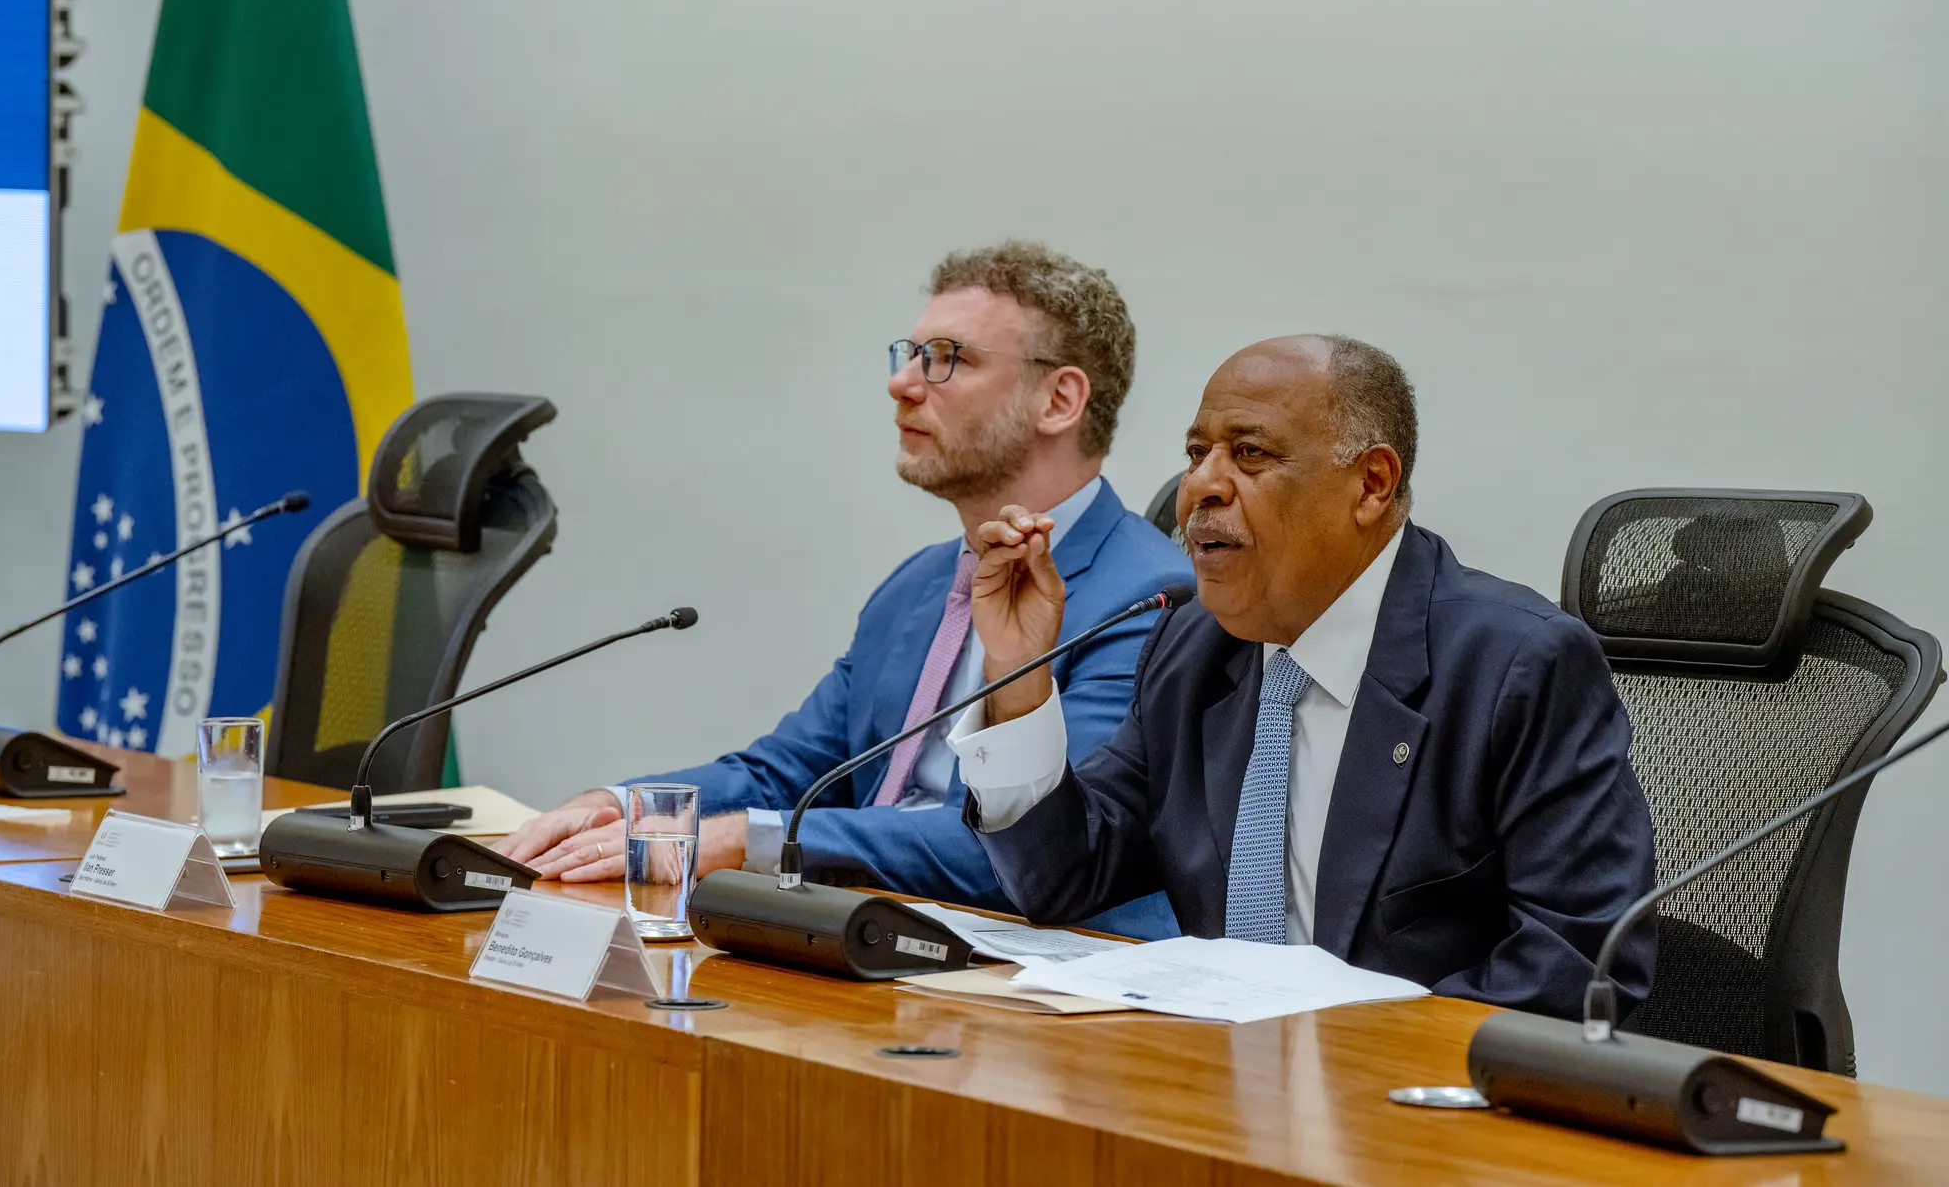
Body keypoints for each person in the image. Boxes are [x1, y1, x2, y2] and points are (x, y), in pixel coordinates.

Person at [946, 334, 1656, 1017]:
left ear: (1371, 485)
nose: (1201, 486)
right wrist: (1016, 671)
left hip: (1405, 1085)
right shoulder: (1192, 647)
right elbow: (1063, 875)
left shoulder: (1514, 663)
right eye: (1196, 454)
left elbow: (1578, 961)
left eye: (1249, 453)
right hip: (1220, 1066)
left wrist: (1335, 1051)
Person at [495, 241, 1192, 935]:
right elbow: (786, 771)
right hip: (854, 939)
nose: (903, 384)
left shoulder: (1152, 601)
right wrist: (622, 807)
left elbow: (1033, 850)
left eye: (947, 357)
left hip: (1024, 970)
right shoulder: (917, 587)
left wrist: (745, 842)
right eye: (909, 355)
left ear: (1059, 399)